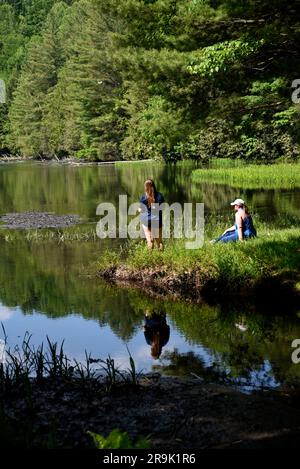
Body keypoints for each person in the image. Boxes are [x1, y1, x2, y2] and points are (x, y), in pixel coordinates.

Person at [139, 179, 165, 249]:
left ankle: (150, 258)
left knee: (150, 241)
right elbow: (162, 208)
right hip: (157, 220)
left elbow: (140, 210)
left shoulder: (143, 197)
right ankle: (161, 258)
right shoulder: (159, 196)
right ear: (154, 186)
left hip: (146, 220)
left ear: (145, 187)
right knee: (159, 242)